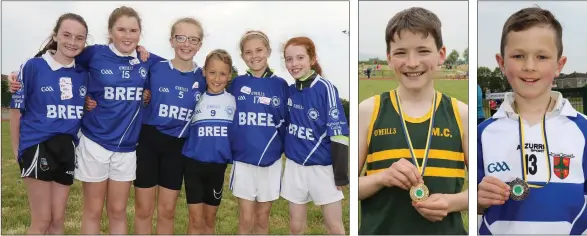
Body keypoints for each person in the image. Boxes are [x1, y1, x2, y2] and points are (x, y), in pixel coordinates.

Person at [81, 16, 204, 234]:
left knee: (167, 212)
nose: (186, 44)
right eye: (181, 37)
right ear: (171, 40)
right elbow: (70, 63)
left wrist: (139, 48)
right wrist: (81, 96)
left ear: (200, 44)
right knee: (143, 210)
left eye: (193, 39)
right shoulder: (156, 67)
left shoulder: (202, 76)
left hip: (176, 149)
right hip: (146, 143)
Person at [358, 7, 469, 235]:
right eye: (400, 53)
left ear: (440, 54)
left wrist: (451, 203)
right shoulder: (369, 111)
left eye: (422, 51)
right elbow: (346, 188)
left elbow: (480, 192)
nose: (412, 62)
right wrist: (381, 178)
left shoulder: (461, 114)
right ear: (389, 57)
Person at [477, 7, 586, 235]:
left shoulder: (583, 129)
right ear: (501, 62)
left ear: (559, 65)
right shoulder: (483, 134)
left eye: (542, 56)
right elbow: (475, 207)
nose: (529, 66)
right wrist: (477, 202)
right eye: (518, 56)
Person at [9, 13, 89, 234]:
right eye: (66, 35)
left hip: (67, 148)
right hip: (37, 145)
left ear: (85, 41)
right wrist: (19, 152)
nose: (72, 42)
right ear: (55, 35)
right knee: (42, 219)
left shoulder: (84, 73)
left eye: (79, 38)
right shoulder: (34, 66)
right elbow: (16, 112)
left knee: (57, 220)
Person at [281, 36, 349, 235]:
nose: (294, 64)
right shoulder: (290, 91)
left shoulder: (325, 88)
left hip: (323, 168)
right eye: (289, 59)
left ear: (312, 59)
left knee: (334, 227)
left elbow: (339, 135)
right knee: (295, 227)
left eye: (300, 57)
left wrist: (340, 174)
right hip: (295, 167)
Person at [227, 30, 289, 234]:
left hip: (270, 162)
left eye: (259, 50)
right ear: (243, 56)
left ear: (268, 51)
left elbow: (287, 123)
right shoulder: (236, 84)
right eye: (248, 52)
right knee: (245, 219)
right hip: (244, 161)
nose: (254, 56)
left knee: (262, 219)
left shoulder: (280, 85)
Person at [182, 49, 235, 234]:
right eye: (212, 72)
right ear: (204, 71)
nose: (217, 78)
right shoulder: (196, 99)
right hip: (193, 165)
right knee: (195, 220)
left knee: (209, 220)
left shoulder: (233, 101)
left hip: (217, 167)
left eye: (222, 74)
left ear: (229, 76)